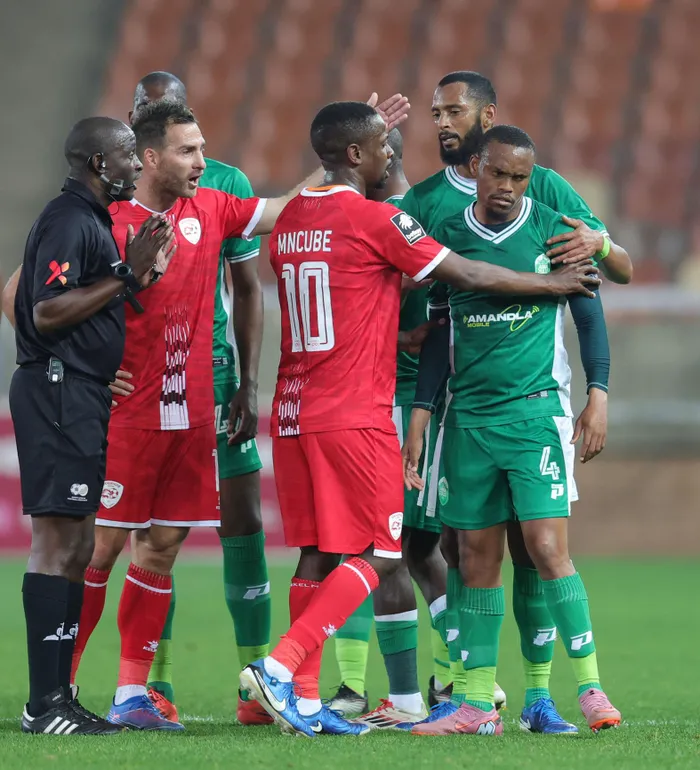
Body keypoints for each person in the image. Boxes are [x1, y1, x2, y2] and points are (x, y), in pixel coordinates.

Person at [238, 100, 601, 738]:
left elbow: (344, 293)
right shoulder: (377, 218)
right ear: (356, 155)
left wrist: (398, 332)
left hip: (292, 407)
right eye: (384, 145)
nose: (392, 154)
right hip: (354, 410)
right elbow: (465, 271)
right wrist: (554, 284)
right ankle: (280, 665)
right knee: (385, 549)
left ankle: (303, 699)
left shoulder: (292, 218)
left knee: (317, 552)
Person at [69, 97, 411, 732]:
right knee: (98, 548)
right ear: (150, 157)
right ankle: (59, 687)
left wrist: (346, 153)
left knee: (161, 546)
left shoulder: (212, 208)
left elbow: (289, 208)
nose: (203, 161)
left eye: (202, 148)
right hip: (125, 416)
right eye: (189, 150)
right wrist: (82, 366)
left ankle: (130, 693)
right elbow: (24, 294)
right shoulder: (101, 219)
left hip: (191, 413)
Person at [388, 70, 631, 734]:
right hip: (468, 418)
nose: (507, 186)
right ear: (477, 168)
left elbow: (590, 315)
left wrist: (598, 395)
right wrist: (420, 416)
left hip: (535, 413)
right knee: (473, 557)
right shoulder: (447, 234)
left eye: (519, 178)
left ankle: (587, 689)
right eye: (497, 174)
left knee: (546, 547)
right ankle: (473, 703)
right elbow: (438, 334)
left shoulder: (554, 228)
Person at [113, 71, 272, 727]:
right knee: (146, 536)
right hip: (141, 385)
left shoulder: (223, 183)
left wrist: (249, 383)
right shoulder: (109, 187)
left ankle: (255, 683)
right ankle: (155, 682)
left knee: (243, 519)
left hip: (215, 375)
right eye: (145, 109)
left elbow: (249, 287)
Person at [10, 116, 174, 735]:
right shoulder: (69, 220)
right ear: (100, 163)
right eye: (129, 154)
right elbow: (46, 311)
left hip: (78, 391)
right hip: (57, 391)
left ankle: (60, 697)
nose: (137, 163)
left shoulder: (91, 221)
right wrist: (126, 274)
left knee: (78, 546)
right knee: (58, 545)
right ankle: (43, 705)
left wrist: (135, 276)